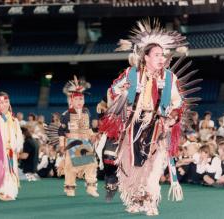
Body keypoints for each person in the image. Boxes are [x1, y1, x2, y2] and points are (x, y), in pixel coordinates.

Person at [99, 20, 196, 216]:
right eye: (157, 55)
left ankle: (151, 200)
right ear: (146, 57)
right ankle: (134, 198)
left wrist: (173, 117)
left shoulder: (169, 78)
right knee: (132, 165)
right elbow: (112, 92)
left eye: (163, 55)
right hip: (133, 125)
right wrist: (124, 92)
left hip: (158, 125)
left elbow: (179, 102)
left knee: (154, 167)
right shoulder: (132, 74)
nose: (162, 59)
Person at [58, 76, 99, 197]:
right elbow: (61, 131)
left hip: (84, 141)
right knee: (70, 167)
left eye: (81, 99)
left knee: (91, 163)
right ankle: (70, 187)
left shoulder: (87, 112)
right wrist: (61, 145)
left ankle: (91, 186)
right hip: (71, 142)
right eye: (77, 100)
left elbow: (88, 128)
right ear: (71, 101)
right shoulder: (66, 115)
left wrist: (93, 135)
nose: (79, 101)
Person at [0, 92, 23, 201]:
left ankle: (9, 191)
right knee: (0, 170)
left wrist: (17, 146)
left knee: (11, 170)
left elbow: (18, 136)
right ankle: (0, 191)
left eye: (6, 102)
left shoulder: (13, 120)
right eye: (1, 102)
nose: (4, 105)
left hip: (10, 151)